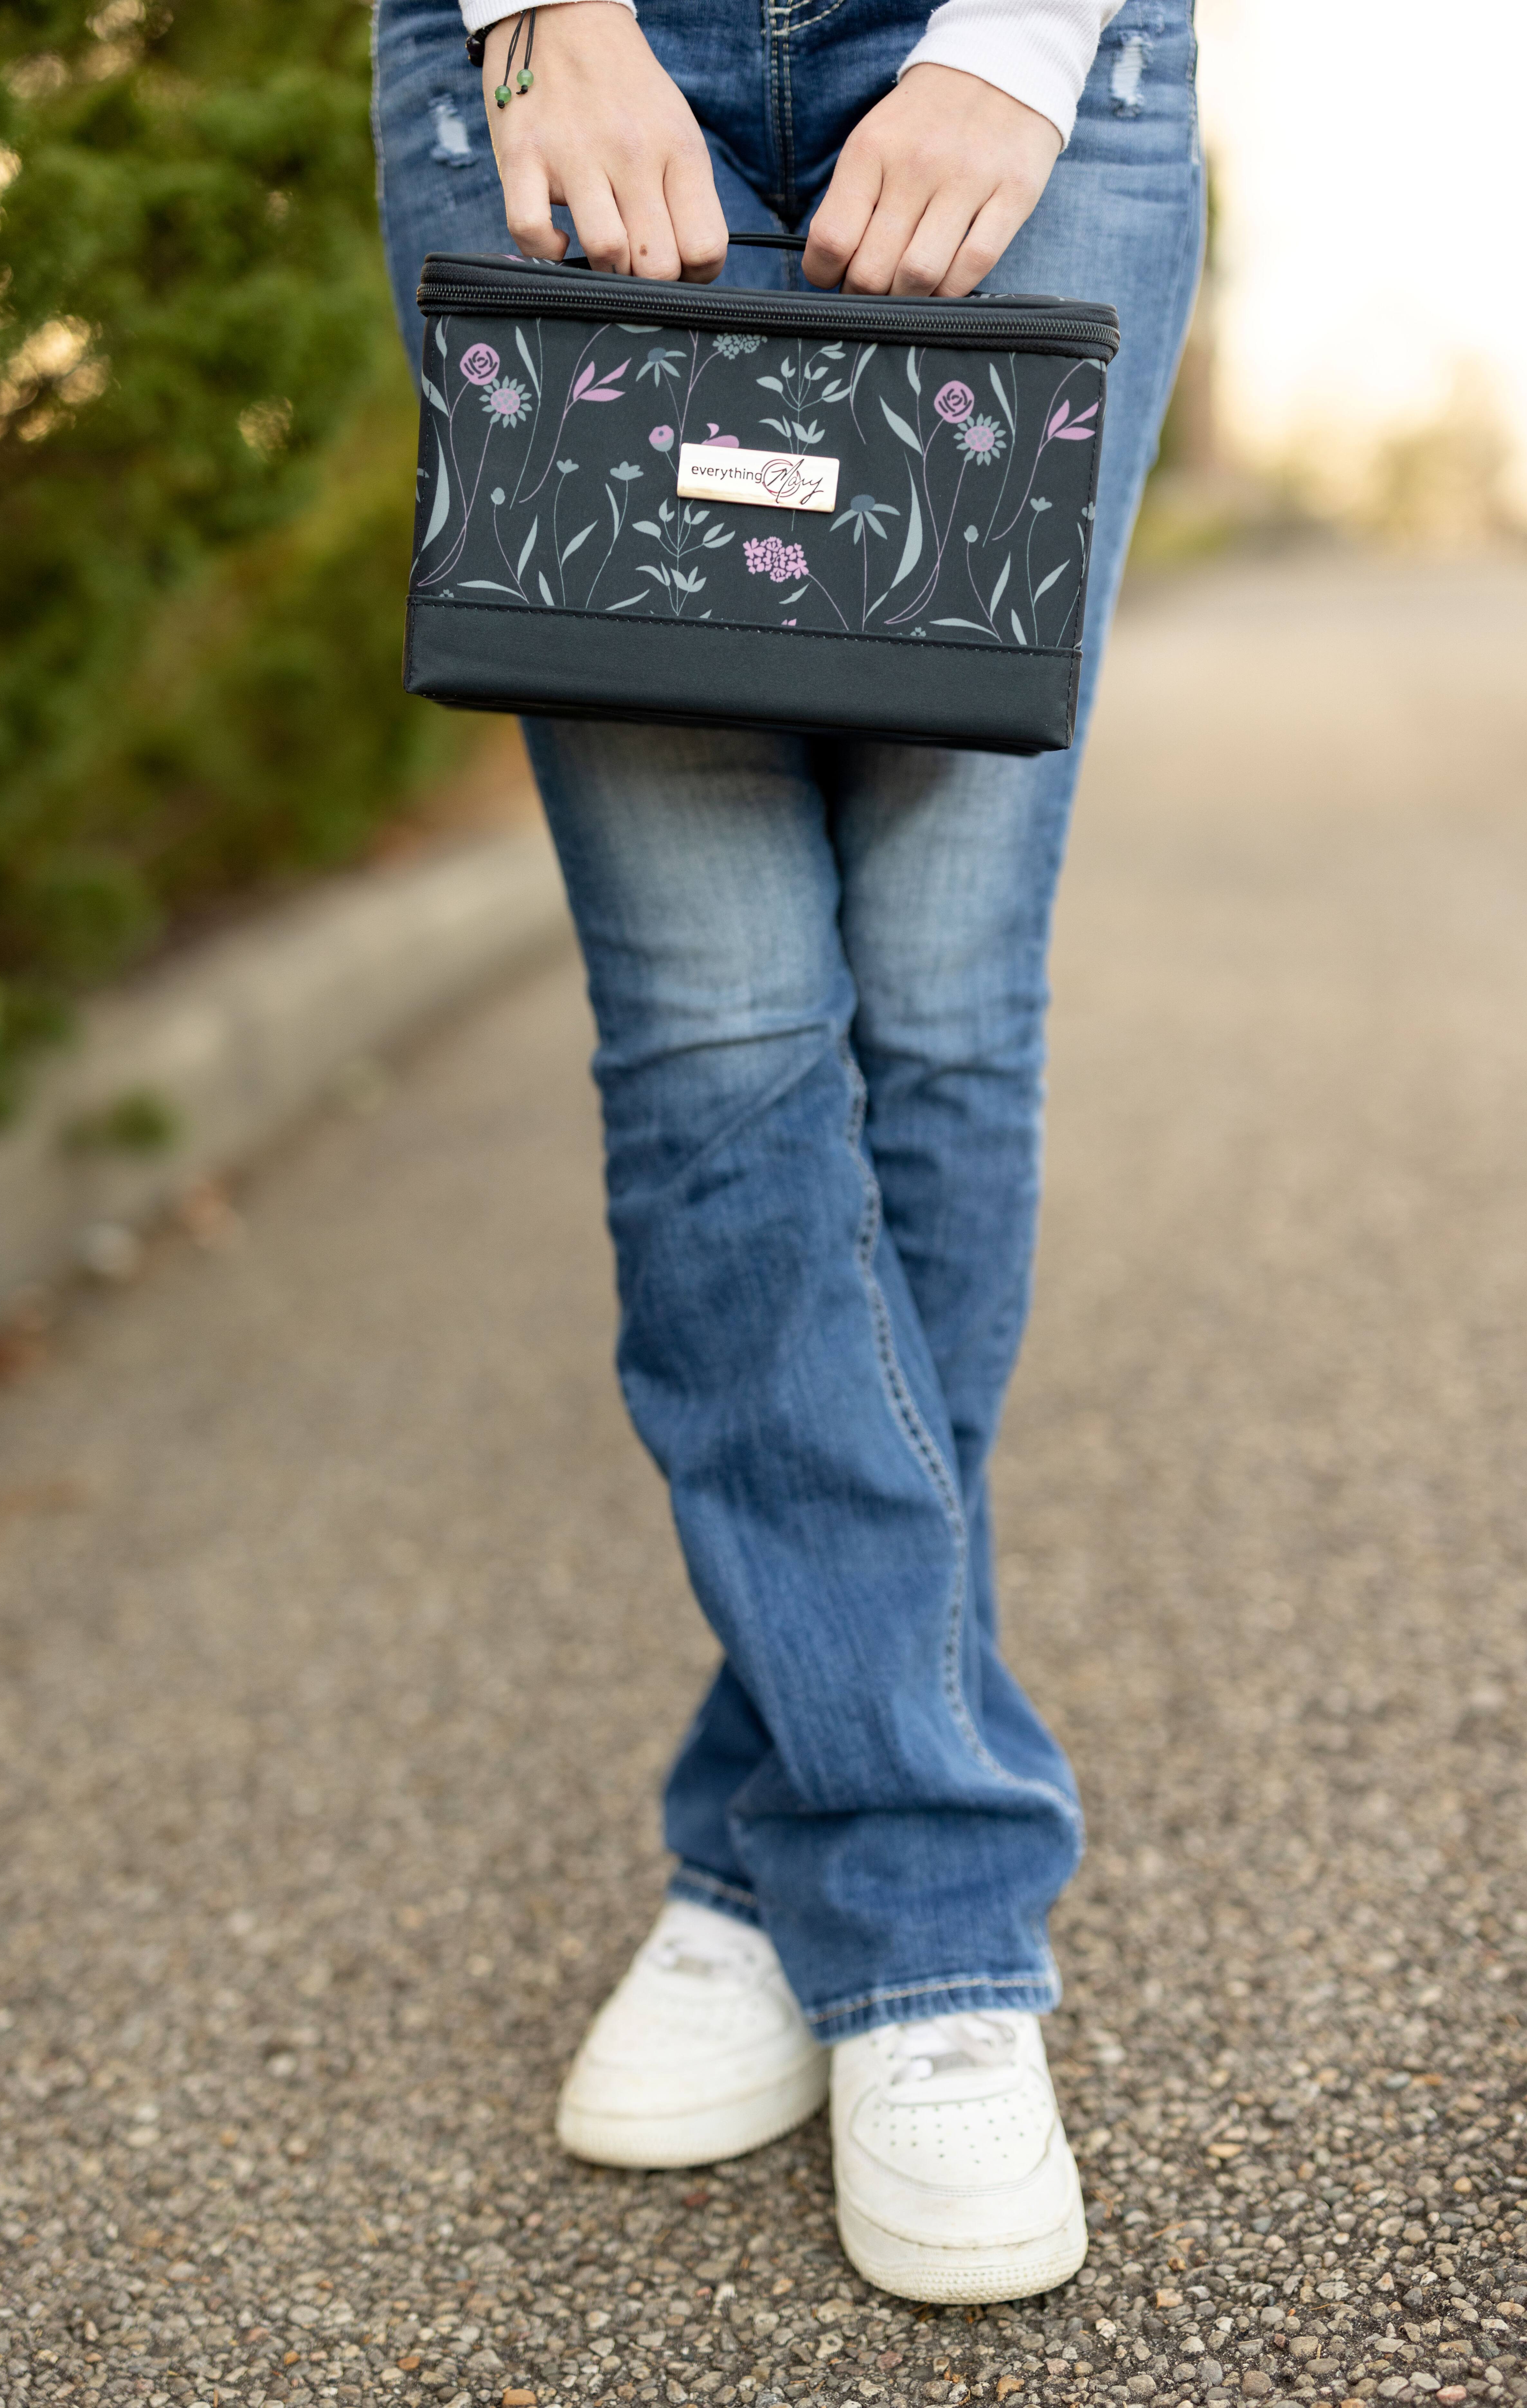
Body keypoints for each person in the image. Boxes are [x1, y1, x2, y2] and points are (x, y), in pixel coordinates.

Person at [374, 0, 1202, 2305]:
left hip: (1027, 87)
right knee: (720, 1026)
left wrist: (1019, 47)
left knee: (940, 1017)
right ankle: (929, 1916)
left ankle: (768, 1851)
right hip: (551, 77)